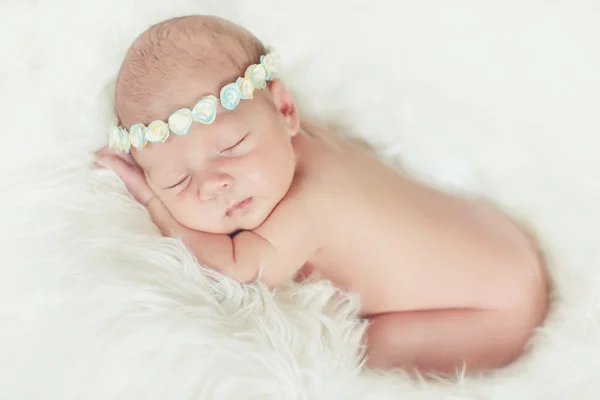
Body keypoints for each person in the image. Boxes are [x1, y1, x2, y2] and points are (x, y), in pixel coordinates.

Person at [95, 15, 549, 374]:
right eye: (177, 181)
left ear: (285, 109)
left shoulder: (305, 211)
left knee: (363, 353)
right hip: (497, 242)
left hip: (491, 314)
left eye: (232, 148)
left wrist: (156, 204)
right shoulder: (299, 140)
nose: (214, 184)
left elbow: (232, 270)